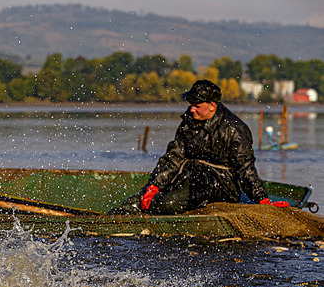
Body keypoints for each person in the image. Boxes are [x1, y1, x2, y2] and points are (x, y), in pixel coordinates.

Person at [109, 79, 288, 215]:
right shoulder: (189, 122)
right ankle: (111, 220)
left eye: (197, 106)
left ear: (212, 106)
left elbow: (246, 170)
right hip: (190, 174)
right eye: (191, 105)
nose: (192, 110)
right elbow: (173, 157)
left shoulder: (235, 130)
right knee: (135, 203)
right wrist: (154, 186)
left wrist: (263, 200)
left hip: (219, 183)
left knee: (167, 205)